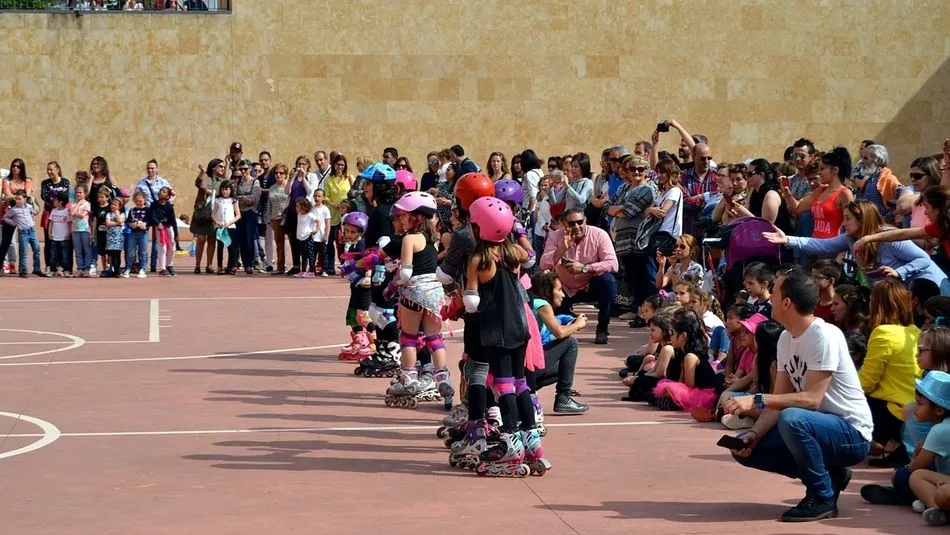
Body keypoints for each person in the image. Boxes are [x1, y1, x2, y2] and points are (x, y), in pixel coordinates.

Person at [725, 267, 873, 522]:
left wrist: (757, 399)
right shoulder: (785, 338)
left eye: (775, 293)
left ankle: (822, 498)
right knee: (750, 448)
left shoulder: (824, 335)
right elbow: (779, 400)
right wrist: (754, 434)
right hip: (817, 428)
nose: (769, 297)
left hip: (852, 433)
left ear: (786, 302)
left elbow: (812, 399)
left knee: (794, 418)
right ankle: (831, 476)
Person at [456, 196, 549, 477]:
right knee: (521, 382)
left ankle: (510, 439)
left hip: (495, 330)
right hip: (520, 326)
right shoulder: (514, 254)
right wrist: (518, 232)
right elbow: (531, 256)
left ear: (477, 228)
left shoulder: (478, 259)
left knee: (504, 384)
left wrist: (463, 301)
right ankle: (531, 439)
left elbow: (471, 302)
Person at [764, 200, 950, 294]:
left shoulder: (889, 237)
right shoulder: (850, 239)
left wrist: (899, 272)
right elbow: (822, 245)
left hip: (932, 290)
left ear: (863, 220)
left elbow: (924, 259)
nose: (844, 224)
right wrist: (787, 239)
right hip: (902, 295)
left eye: (847, 219)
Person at [384, 192, 454, 409]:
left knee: (409, 337)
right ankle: (442, 378)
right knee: (434, 338)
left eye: (404, 216)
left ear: (417, 218)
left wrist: (392, 285)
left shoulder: (409, 239)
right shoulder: (432, 240)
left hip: (414, 292)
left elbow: (405, 274)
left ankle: (409, 378)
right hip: (434, 291)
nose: (401, 220)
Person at [540, 208, 619, 344]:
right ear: (564, 224)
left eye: (579, 222)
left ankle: (602, 329)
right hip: (564, 289)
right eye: (571, 224)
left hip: (590, 285)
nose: (576, 226)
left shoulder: (600, 234)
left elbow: (613, 264)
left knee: (608, 282)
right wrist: (562, 249)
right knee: (545, 281)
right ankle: (559, 329)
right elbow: (543, 265)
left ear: (585, 221)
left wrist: (585, 268)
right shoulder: (555, 236)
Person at [529, 270, 589, 414]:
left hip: (522, 366)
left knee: (564, 367)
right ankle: (563, 397)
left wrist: (569, 322)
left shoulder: (532, 302)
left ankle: (528, 391)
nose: (563, 295)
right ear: (547, 290)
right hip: (528, 365)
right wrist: (577, 325)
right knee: (570, 343)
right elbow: (559, 333)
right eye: (559, 290)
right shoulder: (542, 304)